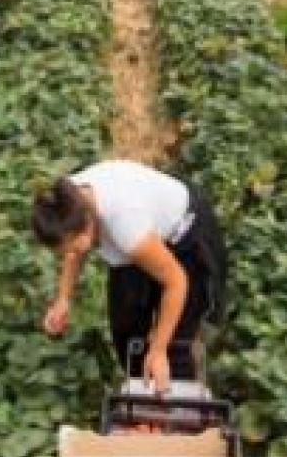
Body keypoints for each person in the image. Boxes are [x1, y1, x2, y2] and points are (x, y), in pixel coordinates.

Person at [34, 160, 226, 393]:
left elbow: (176, 281)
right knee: (127, 329)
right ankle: (142, 395)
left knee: (174, 344)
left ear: (87, 225)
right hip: (140, 229)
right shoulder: (66, 202)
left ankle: (176, 399)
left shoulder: (127, 224)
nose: (69, 254)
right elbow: (73, 250)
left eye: (73, 247)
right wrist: (63, 299)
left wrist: (158, 349)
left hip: (183, 235)